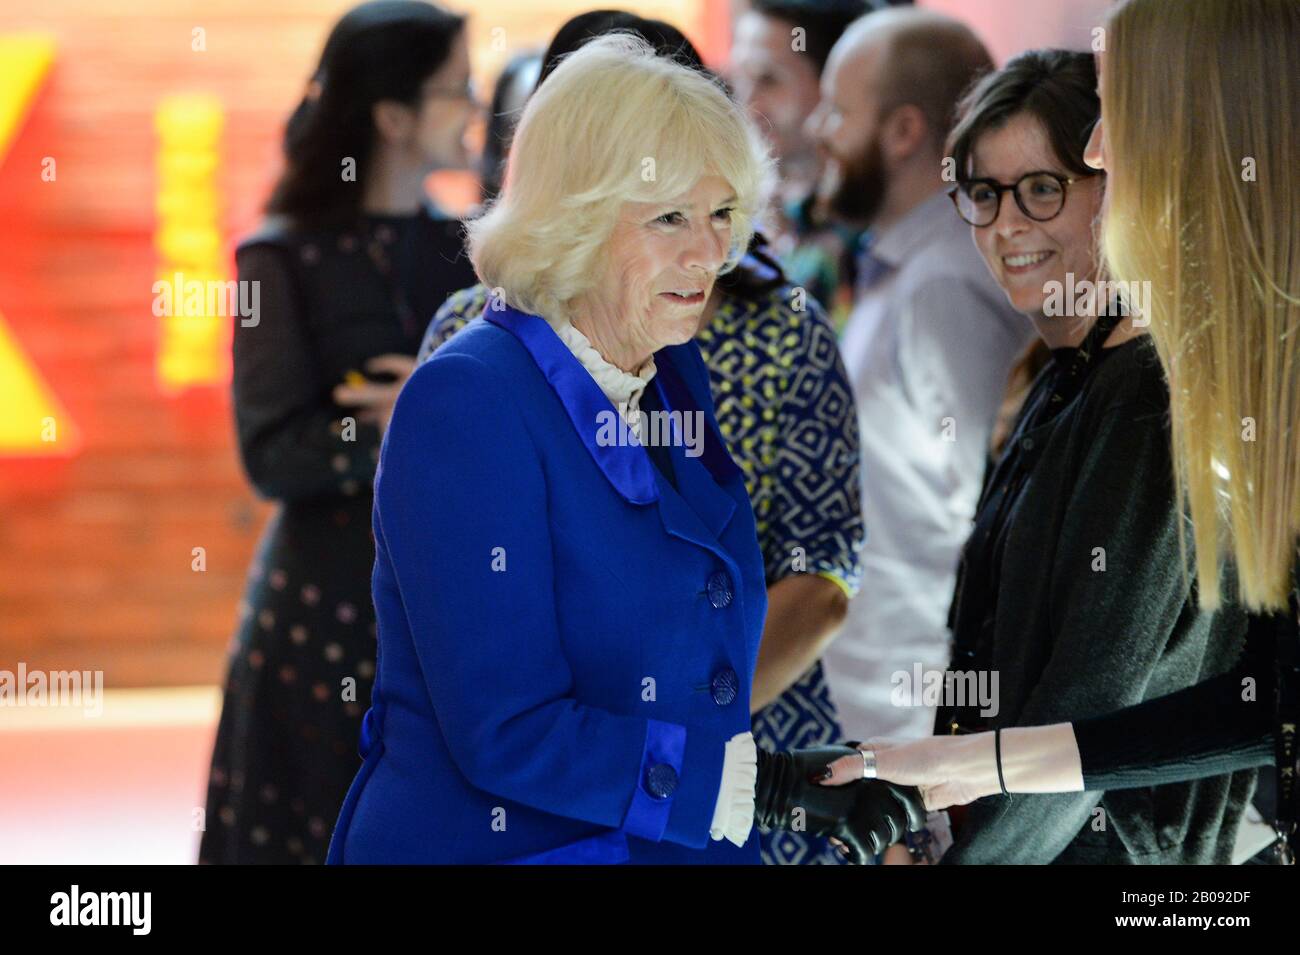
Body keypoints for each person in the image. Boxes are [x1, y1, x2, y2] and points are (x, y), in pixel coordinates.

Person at [325, 33, 923, 865]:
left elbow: (677, 675)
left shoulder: (669, 372)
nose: (710, 253)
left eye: (723, 215)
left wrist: (784, 781)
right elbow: (509, 730)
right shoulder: (470, 399)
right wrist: (757, 790)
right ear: (573, 219)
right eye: (670, 216)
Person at [824, 0, 1300, 864]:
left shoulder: (1152, 387)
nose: (1098, 151)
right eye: (980, 193)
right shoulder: (1079, 378)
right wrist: (958, 779)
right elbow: (1257, 704)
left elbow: (1101, 692)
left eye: (1043, 189)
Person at [198, 0, 481, 865]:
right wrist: (410, 430)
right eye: (454, 90)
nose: (474, 106)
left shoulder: (472, 252)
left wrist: (431, 417)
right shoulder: (280, 256)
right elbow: (274, 453)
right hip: (321, 616)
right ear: (392, 116)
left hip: (451, 609)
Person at [809, 7, 1033, 747]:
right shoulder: (899, 266)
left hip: (907, 713)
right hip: (864, 697)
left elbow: (975, 515)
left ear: (903, 132)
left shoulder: (945, 281)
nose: (818, 129)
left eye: (838, 110)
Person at [728, 0, 882, 323]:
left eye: (768, 79)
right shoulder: (736, 212)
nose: (747, 103)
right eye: (741, 77)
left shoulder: (870, 234)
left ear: (836, 81)